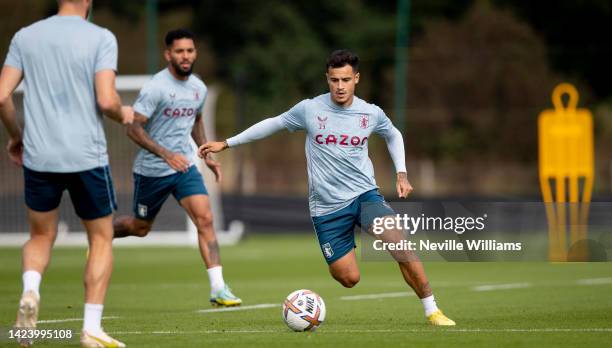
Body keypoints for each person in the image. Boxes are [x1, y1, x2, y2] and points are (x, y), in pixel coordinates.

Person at [200, 49, 455, 326]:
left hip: (364, 195)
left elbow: (392, 134)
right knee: (349, 278)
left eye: (346, 79)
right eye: (334, 80)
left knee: (400, 244)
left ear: (356, 78)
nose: (340, 86)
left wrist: (402, 173)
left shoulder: (370, 113)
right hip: (327, 208)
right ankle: (347, 247)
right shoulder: (310, 109)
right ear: (327, 79)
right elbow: (273, 124)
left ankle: (432, 310)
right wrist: (227, 143)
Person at [0, 0, 134, 347]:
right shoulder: (101, 37)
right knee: (101, 238)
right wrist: (126, 114)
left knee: (41, 236)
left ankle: (31, 291)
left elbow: (1, 96)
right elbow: (106, 101)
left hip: (40, 156)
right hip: (86, 156)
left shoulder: (25, 36)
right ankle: (91, 329)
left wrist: (17, 137)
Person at [112, 29, 241, 307]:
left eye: (190, 51)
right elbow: (133, 129)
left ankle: (218, 288)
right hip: (151, 171)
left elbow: (195, 120)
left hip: (184, 167)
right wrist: (165, 154)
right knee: (139, 227)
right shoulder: (155, 87)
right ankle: (100, 233)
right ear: (168, 54)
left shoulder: (199, 88)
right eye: (180, 51)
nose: (186, 56)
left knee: (205, 220)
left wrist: (205, 151)